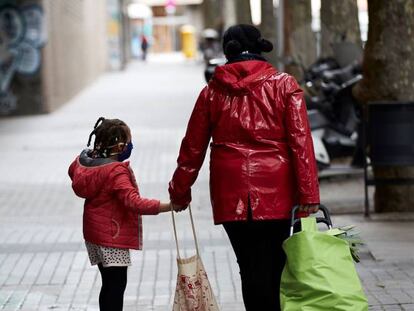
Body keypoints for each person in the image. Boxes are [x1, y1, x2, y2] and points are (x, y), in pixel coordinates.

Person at [169, 24, 320, 310]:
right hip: (277, 189)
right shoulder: (284, 85)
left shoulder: (212, 92)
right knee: (275, 263)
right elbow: (301, 143)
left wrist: (179, 191)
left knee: (248, 266)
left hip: (230, 190)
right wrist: (309, 195)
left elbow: (192, 148)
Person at [68, 117, 178, 311]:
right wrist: (169, 206)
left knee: (108, 284)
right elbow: (133, 202)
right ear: (119, 146)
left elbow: (73, 171)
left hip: (95, 233)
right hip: (111, 235)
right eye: (128, 142)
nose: (130, 145)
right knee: (116, 286)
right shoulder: (115, 172)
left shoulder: (87, 163)